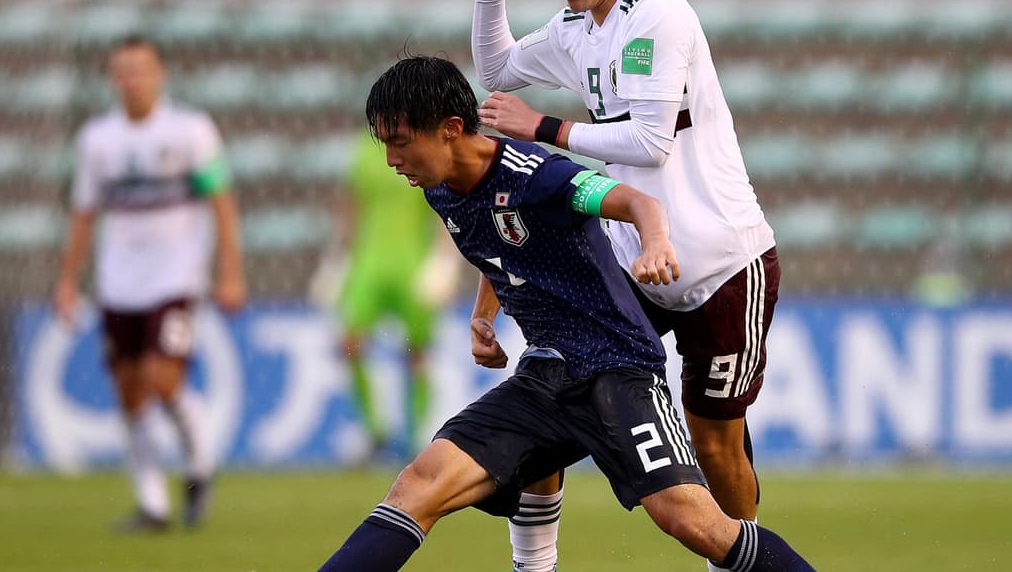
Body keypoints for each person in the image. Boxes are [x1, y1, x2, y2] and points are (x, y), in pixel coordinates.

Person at [313, 55, 813, 572]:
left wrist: (655, 243)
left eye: (399, 142)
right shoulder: (441, 187)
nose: (392, 159)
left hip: (616, 370)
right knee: (420, 483)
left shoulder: (538, 176)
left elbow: (637, 203)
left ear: (450, 130)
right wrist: (484, 314)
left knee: (689, 519)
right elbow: (499, 243)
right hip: (546, 374)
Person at [472, 0, 780, 572]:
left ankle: (739, 564)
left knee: (714, 445)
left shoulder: (661, 15)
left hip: (720, 264)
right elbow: (496, 66)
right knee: (548, 392)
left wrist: (544, 126)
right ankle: (535, 566)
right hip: (632, 259)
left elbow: (650, 141)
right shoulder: (578, 26)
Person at [54, 36, 247, 532]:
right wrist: (67, 282)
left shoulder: (190, 132)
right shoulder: (97, 140)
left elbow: (221, 202)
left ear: (159, 74)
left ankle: (199, 463)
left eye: (140, 69)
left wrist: (229, 272)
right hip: (118, 281)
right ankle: (153, 503)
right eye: (122, 71)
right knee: (128, 391)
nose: (132, 79)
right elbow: (83, 214)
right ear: (112, 78)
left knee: (163, 379)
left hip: (176, 278)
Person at [331, 132, 459, 459]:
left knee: (416, 353)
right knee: (349, 342)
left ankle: (415, 438)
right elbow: (352, 208)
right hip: (367, 263)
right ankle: (375, 430)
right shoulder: (362, 151)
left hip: (413, 263)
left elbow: (441, 206)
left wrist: (444, 260)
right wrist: (337, 259)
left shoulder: (421, 148)